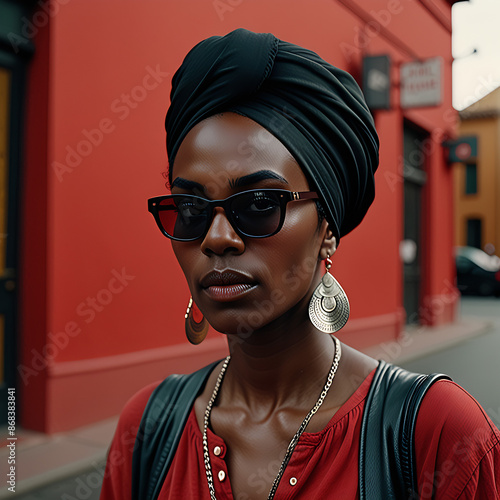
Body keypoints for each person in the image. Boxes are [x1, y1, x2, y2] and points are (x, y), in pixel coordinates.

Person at [100, 29, 499, 499]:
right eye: (190, 210)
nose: (217, 238)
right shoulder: (148, 429)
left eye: (259, 203)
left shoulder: (435, 433)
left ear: (326, 228)